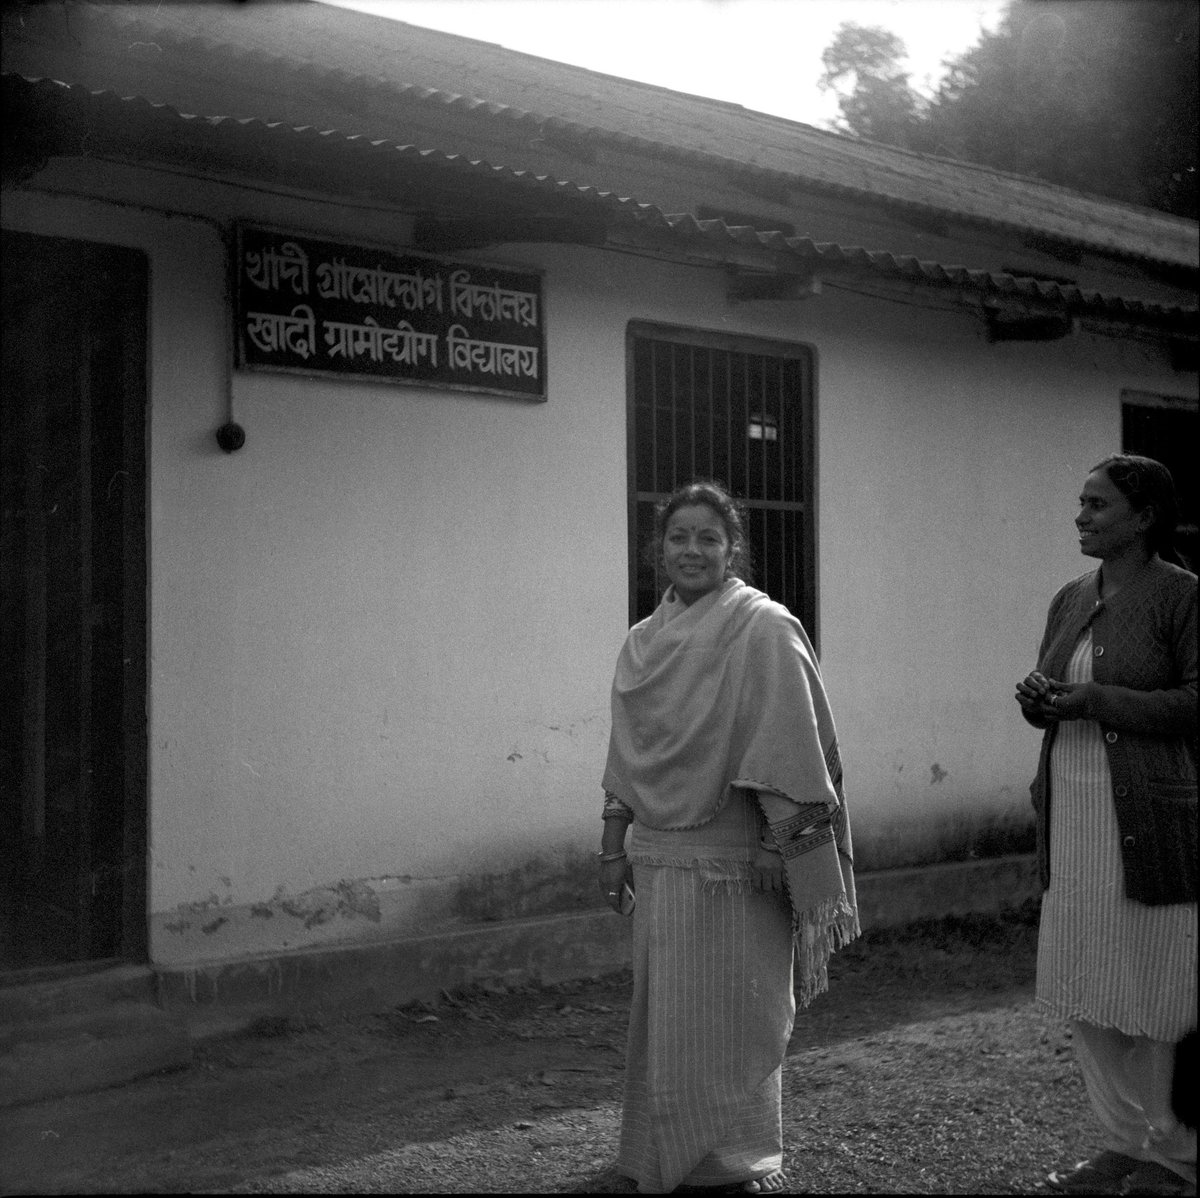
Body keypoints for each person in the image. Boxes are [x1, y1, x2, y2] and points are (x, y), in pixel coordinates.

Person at [598, 481, 860, 1195]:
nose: (693, 549)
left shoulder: (763, 629)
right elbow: (626, 754)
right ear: (659, 551)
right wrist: (613, 845)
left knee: (739, 1010)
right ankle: (657, 1156)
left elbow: (791, 747)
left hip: (741, 859)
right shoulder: (641, 643)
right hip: (661, 860)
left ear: (731, 549)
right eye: (679, 536)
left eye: (709, 537)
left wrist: (784, 847)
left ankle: (737, 1163)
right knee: (668, 1019)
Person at [1015, 455, 1197, 1197]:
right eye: (1081, 503)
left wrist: (1094, 700)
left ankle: (1176, 1154)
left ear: (1144, 516)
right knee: (1089, 983)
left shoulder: (1182, 597)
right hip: (1075, 814)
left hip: (1150, 821)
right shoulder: (1069, 597)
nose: (1082, 516)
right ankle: (1121, 1140)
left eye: (1098, 504)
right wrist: (1040, 697)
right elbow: (1055, 694)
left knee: (1158, 987)